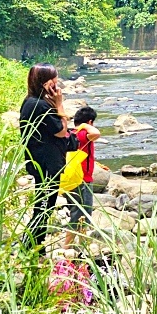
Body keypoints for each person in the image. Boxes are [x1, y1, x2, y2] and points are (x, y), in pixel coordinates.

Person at [20, 63, 73, 255]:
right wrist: (59, 104)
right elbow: (60, 131)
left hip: (41, 162)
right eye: (54, 79)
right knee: (43, 206)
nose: (57, 83)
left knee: (44, 205)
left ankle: (35, 246)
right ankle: (30, 248)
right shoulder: (40, 105)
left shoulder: (31, 101)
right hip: (47, 164)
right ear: (45, 82)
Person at [64, 105, 101, 247]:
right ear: (90, 122)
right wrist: (86, 125)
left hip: (72, 179)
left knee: (80, 215)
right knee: (79, 216)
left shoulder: (71, 133)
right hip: (82, 181)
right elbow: (96, 133)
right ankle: (66, 250)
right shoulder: (82, 134)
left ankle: (82, 249)